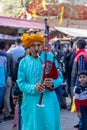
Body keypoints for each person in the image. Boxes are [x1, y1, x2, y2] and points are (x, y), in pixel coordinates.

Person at [17, 33, 63, 130]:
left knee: (49, 125)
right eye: (33, 45)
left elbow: (60, 78)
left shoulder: (49, 57)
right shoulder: (23, 62)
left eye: (39, 45)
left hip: (49, 102)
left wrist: (53, 83)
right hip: (31, 103)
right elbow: (21, 83)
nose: (36, 48)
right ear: (29, 46)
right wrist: (34, 88)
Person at [71, 38, 87, 129]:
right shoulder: (83, 54)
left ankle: (82, 125)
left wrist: (77, 85)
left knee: (82, 108)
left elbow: (81, 72)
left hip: (81, 86)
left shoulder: (81, 55)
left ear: (77, 46)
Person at [0, 41, 10, 124]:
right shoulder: (5, 56)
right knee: (3, 98)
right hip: (2, 82)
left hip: (2, 81)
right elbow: (7, 70)